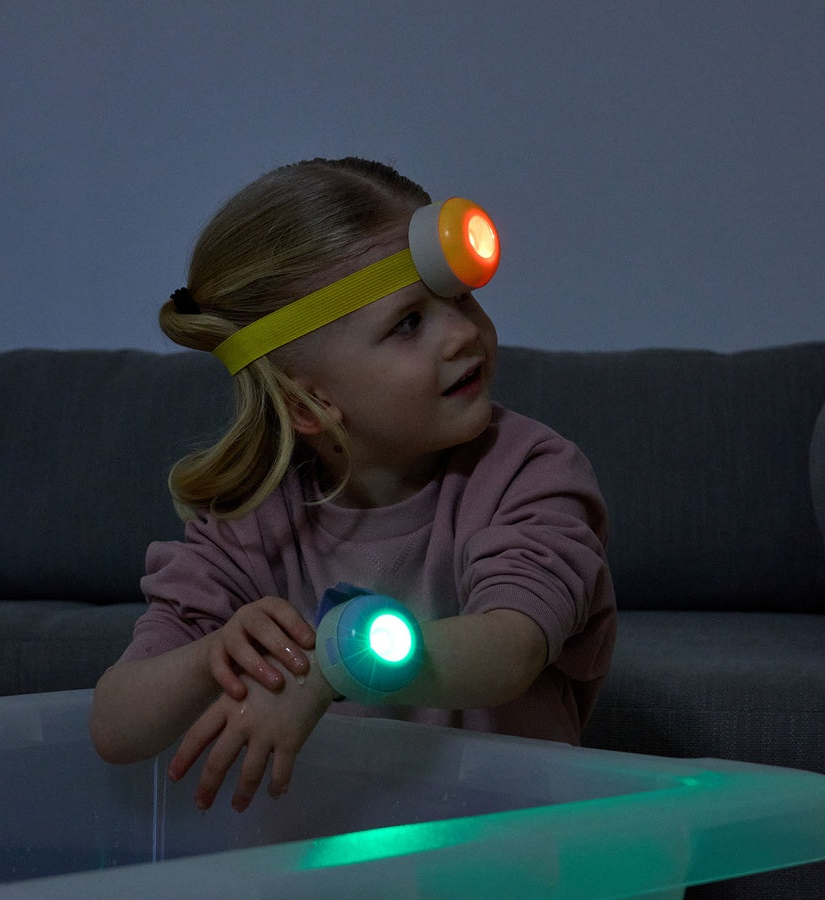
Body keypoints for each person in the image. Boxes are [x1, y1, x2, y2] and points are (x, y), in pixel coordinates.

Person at [89, 157, 616, 814]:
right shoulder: (252, 525)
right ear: (309, 404)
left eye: (458, 298)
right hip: (326, 856)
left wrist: (334, 665)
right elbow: (115, 726)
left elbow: (510, 648)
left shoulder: (529, 472)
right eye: (408, 323)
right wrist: (211, 657)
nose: (462, 333)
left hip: (502, 849)